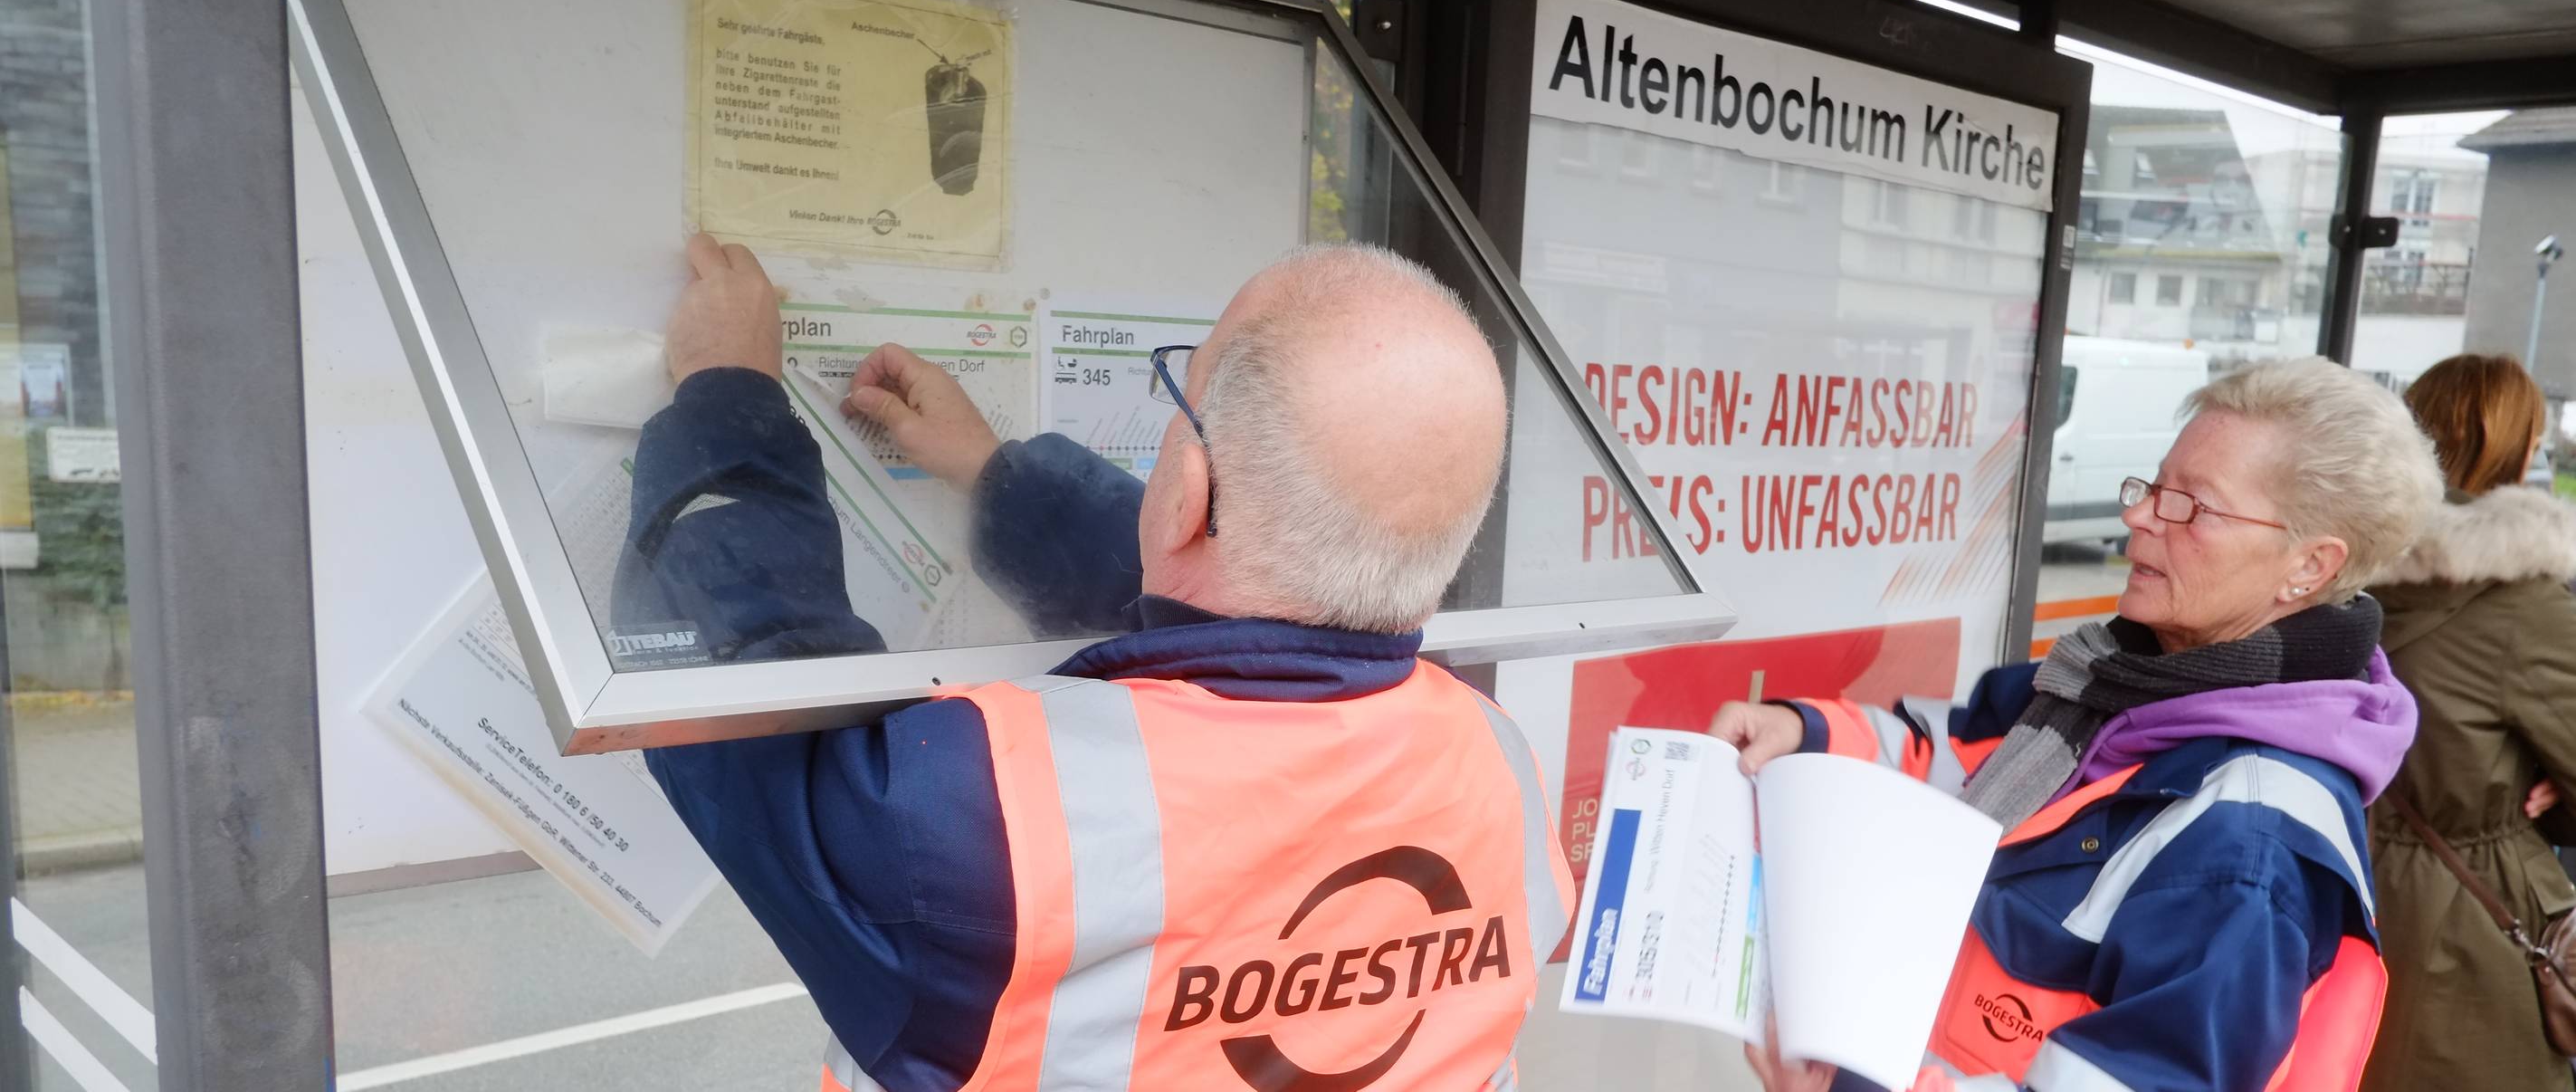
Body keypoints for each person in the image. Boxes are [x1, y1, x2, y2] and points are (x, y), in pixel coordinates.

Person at [616, 235, 1574, 1092]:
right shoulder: (1500, 771)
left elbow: (750, 693)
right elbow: (1259, 618)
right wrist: (995, 474)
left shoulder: (987, 825)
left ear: (1185, 492)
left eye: (1178, 394)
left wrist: (723, 390)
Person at [1710, 357, 2444, 1092]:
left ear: (2310, 566)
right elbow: (1961, 757)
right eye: (2155, 486)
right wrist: (1811, 737)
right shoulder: (2112, 683)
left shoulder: (2247, 845)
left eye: (2193, 505)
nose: (2138, 516)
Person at [2360, 353, 2576, 1092]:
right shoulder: (2526, 604)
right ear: (2519, 453)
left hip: (2331, 885)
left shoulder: (2333, 569)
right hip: (2469, 929)